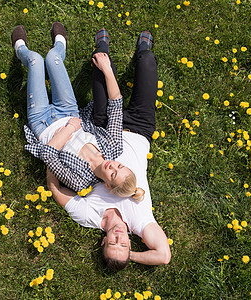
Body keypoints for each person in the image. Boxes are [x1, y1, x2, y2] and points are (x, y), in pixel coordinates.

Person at [47, 29, 171, 271]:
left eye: (113, 243)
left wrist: (50, 155)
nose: (119, 238)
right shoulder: (140, 220)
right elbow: (163, 256)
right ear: (130, 243)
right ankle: (142, 51)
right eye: (124, 244)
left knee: (101, 66)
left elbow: (56, 189)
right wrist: (130, 255)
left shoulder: (91, 216)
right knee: (146, 62)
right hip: (139, 127)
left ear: (103, 242)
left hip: (103, 125)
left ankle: (101, 45)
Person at [11, 23, 143, 200]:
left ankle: (20, 50)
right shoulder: (113, 147)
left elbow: (47, 154)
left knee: (35, 60)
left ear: (108, 187)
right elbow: (116, 107)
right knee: (52, 57)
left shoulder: (81, 181)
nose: (112, 166)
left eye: (113, 174)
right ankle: (60, 46)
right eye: (119, 166)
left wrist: (70, 129)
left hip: (41, 123)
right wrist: (107, 70)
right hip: (67, 110)